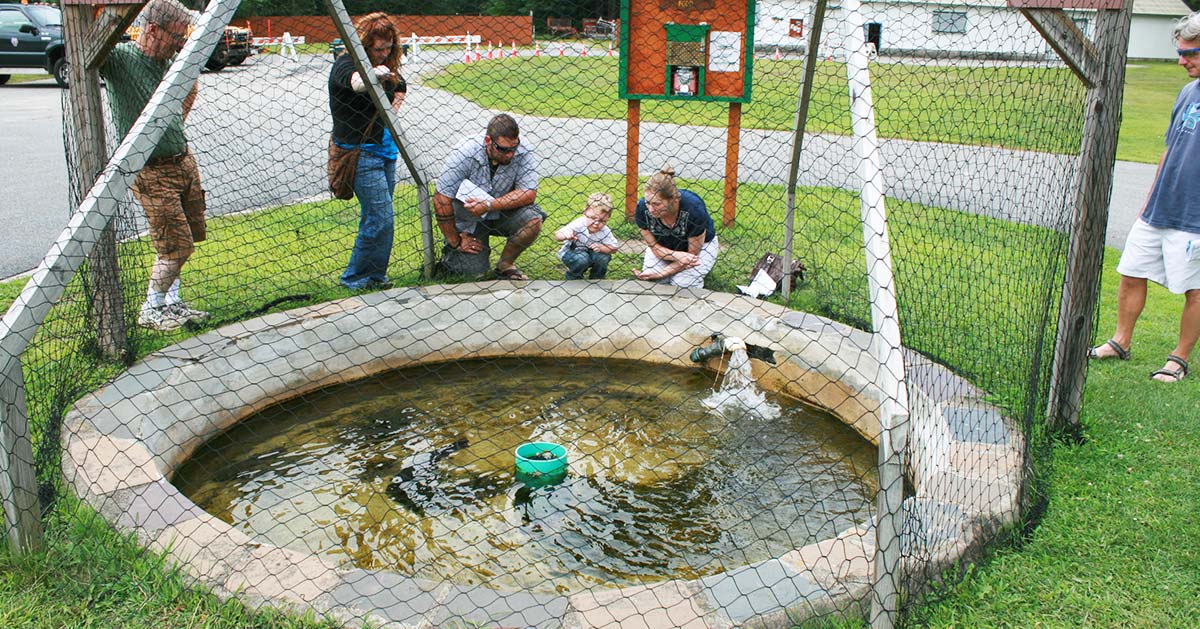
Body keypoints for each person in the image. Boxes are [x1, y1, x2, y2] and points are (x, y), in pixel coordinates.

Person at [1088, 12, 1200, 383]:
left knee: (1195, 289)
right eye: (1180, 53)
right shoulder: (1187, 92)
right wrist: (1149, 200)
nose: (1181, 61)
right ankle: (1121, 342)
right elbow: (1170, 149)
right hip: (1160, 208)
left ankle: (1178, 359)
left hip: (1195, 215)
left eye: (1190, 53)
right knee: (1131, 271)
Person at [100, 0, 209, 332]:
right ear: (151, 30)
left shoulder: (171, 65)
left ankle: (171, 303)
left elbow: (191, 88)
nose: (180, 43)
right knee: (175, 244)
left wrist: (174, 123)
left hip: (182, 161)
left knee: (189, 236)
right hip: (151, 170)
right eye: (176, 36)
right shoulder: (120, 60)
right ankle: (151, 309)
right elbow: (83, 48)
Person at [329, 12, 406, 290]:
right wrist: (376, 74)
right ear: (363, 44)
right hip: (359, 154)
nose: (384, 54)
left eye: (388, 48)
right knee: (381, 218)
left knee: (378, 218)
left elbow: (401, 86)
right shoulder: (344, 63)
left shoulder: (388, 64)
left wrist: (391, 114)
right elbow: (357, 84)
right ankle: (354, 278)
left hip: (385, 151)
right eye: (378, 48)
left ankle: (375, 276)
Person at [434, 114, 544, 280]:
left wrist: (489, 205)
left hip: (501, 213)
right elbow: (441, 199)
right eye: (503, 149)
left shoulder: (524, 150)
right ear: (488, 141)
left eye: (513, 148)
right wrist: (455, 240)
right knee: (473, 274)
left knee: (533, 221)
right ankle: (451, 255)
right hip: (469, 219)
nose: (510, 155)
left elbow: (529, 193)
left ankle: (505, 265)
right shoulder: (464, 152)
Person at [632, 167, 718, 288]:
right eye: (648, 202)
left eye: (657, 204)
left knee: (682, 284)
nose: (650, 209)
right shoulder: (642, 209)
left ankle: (699, 274)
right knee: (655, 283)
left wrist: (661, 273)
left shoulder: (694, 209)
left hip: (700, 248)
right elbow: (655, 248)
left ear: (674, 200)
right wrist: (675, 257)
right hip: (663, 248)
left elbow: (691, 257)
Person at [554, 192, 620, 280]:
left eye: (602, 221)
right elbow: (557, 235)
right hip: (572, 253)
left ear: (608, 218)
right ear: (585, 212)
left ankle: (597, 279)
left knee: (603, 257)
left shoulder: (605, 231)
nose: (596, 223)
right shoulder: (579, 223)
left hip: (592, 254)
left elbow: (614, 249)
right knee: (582, 259)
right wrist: (566, 235)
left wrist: (601, 248)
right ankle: (574, 278)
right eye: (592, 218)